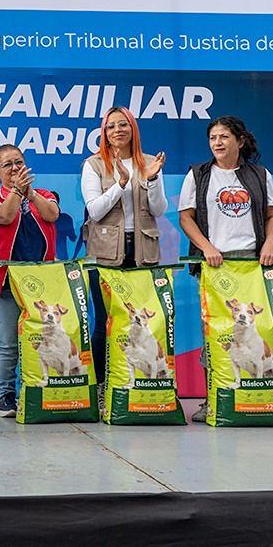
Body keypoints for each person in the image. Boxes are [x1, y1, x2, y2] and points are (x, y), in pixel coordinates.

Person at [178, 115, 273, 422]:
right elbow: (186, 217)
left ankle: (258, 395)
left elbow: (271, 216)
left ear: (240, 141)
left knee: (257, 330)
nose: (217, 143)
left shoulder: (260, 175)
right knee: (217, 333)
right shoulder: (199, 174)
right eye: (213, 138)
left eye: (223, 137)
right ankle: (214, 398)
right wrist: (207, 247)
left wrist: (270, 244)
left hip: (252, 263)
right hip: (215, 265)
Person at [81, 106, 168, 387]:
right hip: (105, 252)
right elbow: (94, 211)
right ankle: (102, 386)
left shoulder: (149, 161)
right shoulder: (93, 164)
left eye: (123, 125)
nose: (117, 130)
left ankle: (141, 384)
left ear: (133, 129)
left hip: (143, 250)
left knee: (144, 322)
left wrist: (152, 179)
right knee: (105, 322)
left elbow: (159, 208)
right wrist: (120, 184)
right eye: (110, 126)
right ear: (104, 133)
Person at [0, 144, 59, 417]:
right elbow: (5, 216)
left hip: (42, 281)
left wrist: (31, 193)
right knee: (8, 341)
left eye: (19, 162)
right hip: (6, 281)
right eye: (9, 164)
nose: (15, 168)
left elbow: (52, 214)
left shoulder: (43, 195)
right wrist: (16, 192)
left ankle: (39, 390)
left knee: (44, 339)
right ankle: (6, 395)